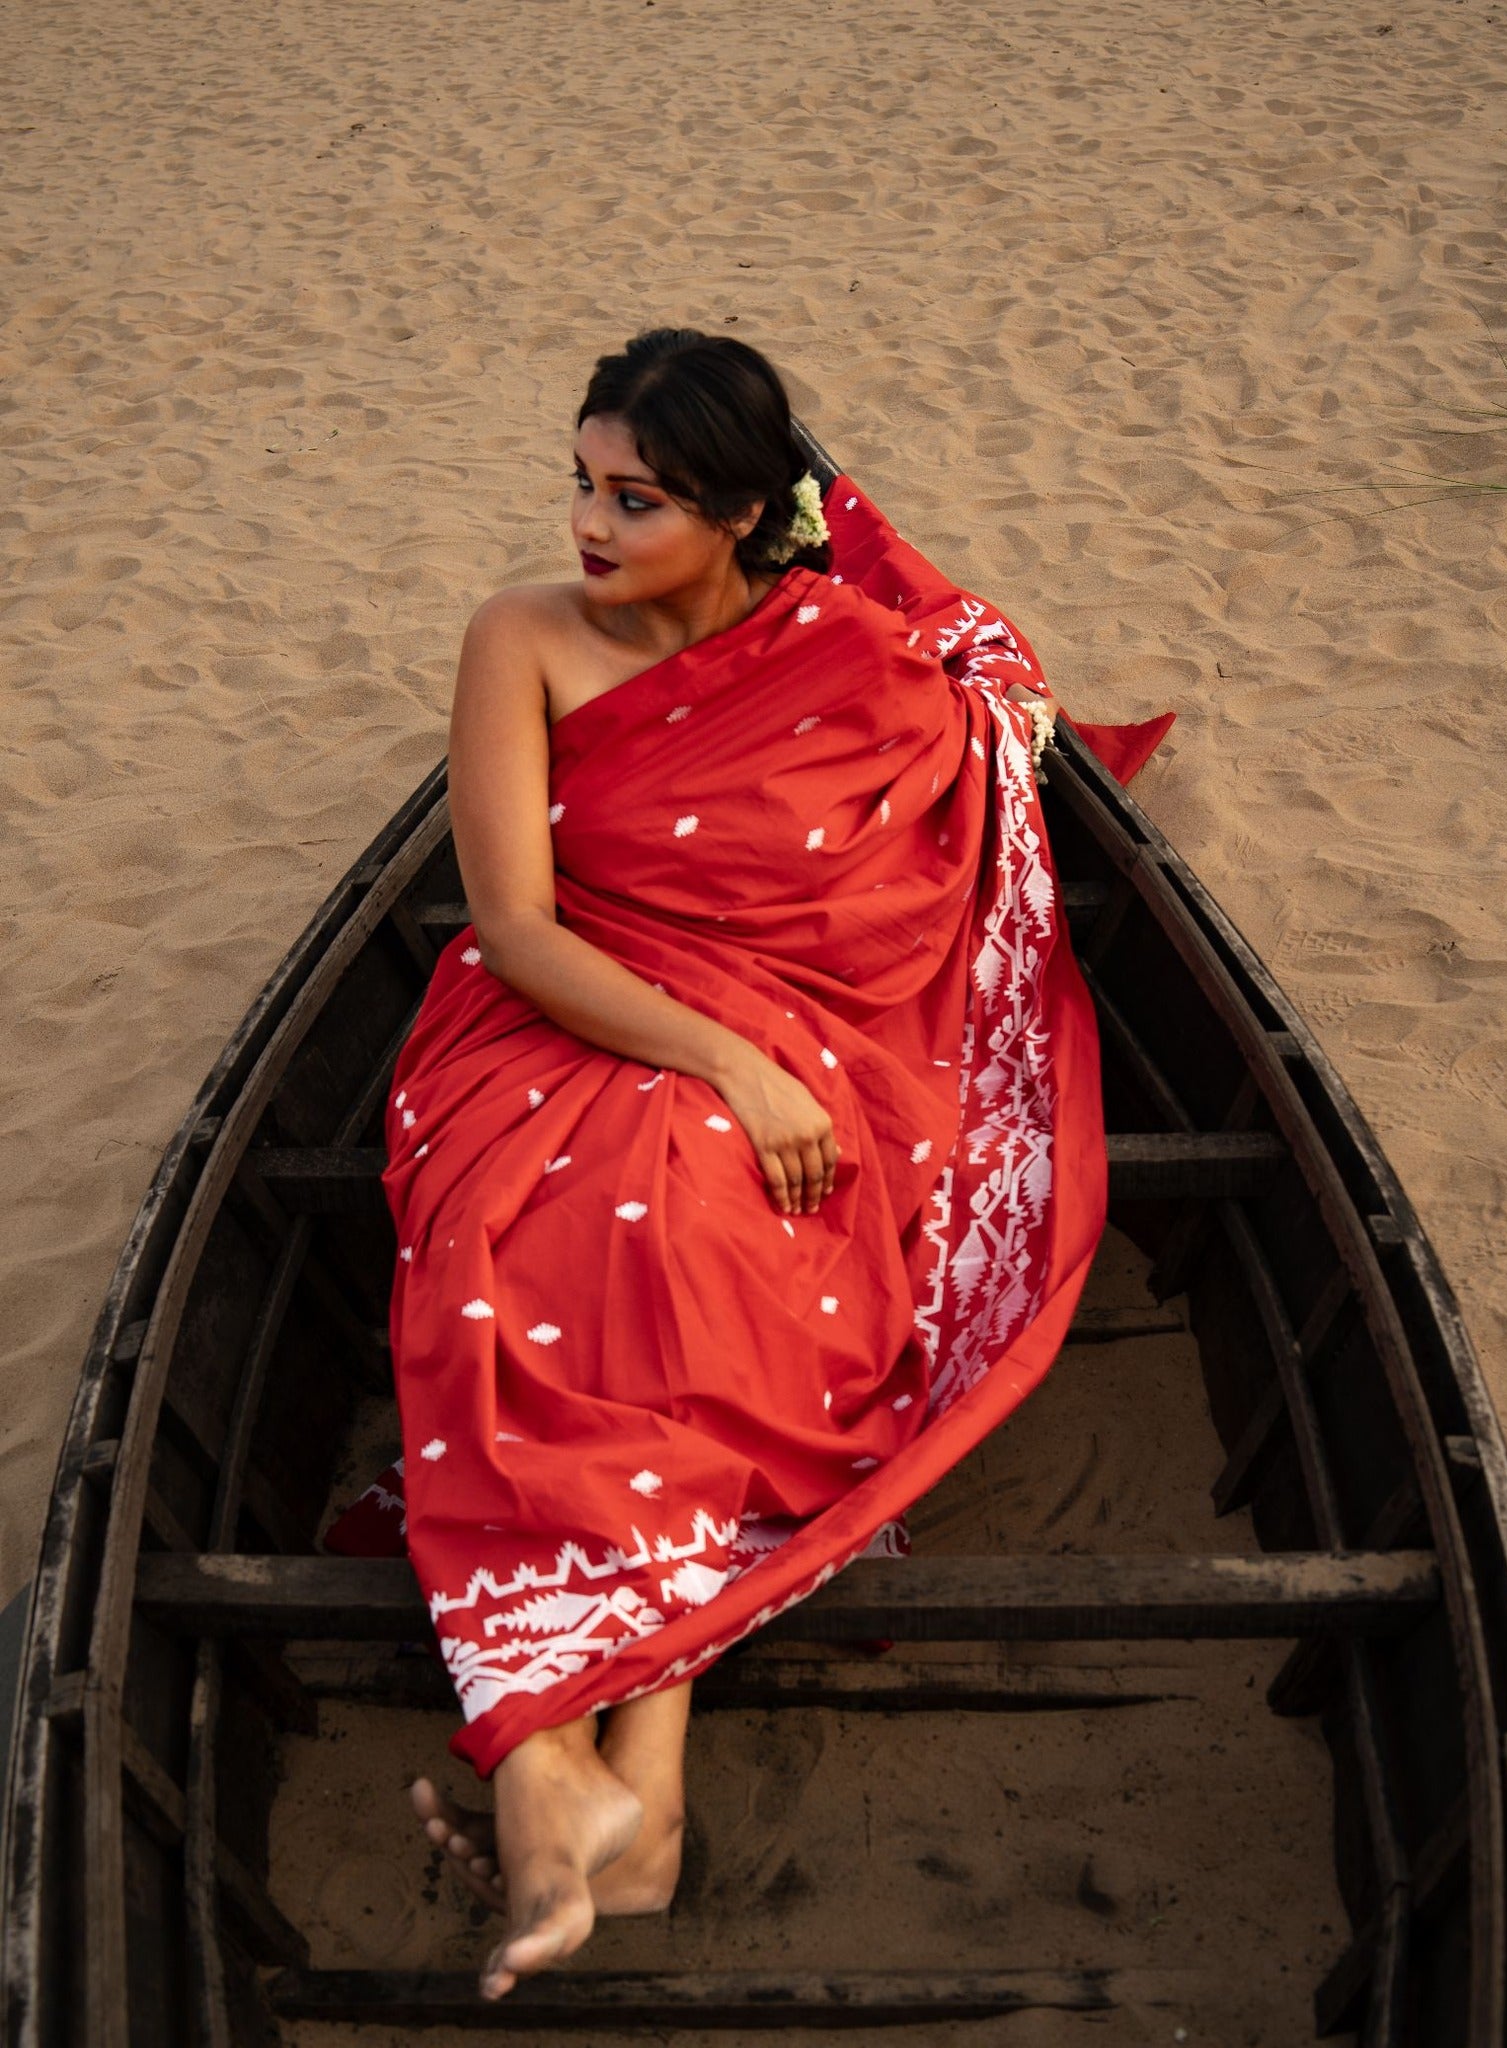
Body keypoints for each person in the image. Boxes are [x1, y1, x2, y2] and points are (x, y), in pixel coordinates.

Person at [326, 328, 1155, 2001]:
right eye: (580, 482)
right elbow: (510, 924)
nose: (588, 525)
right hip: (550, 1017)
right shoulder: (523, 638)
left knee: (713, 1218)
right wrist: (725, 1058)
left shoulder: (841, 657)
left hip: (783, 1040)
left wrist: (765, 1070)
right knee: (552, 1213)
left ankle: (611, 1778)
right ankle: (582, 1764)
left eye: (635, 499)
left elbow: (939, 803)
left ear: (734, 513)